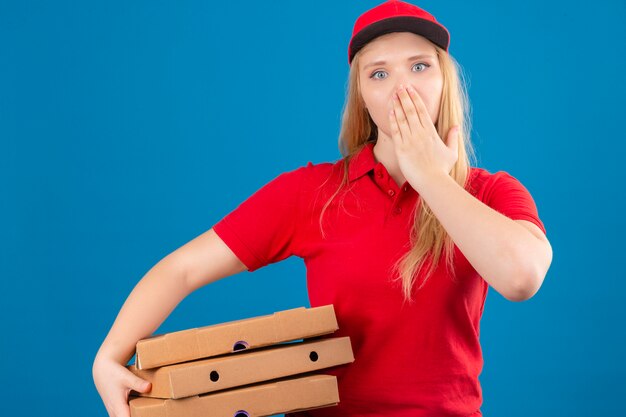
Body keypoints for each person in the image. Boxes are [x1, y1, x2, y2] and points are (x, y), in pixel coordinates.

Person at [92, 1, 553, 416]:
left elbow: (521, 277)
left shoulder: (491, 192)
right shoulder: (313, 192)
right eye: (379, 73)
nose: (401, 89)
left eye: (419, 66)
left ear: (443, 80)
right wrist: (108, 358)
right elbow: (182, 271)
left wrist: (431, 177)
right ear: (361, 95)